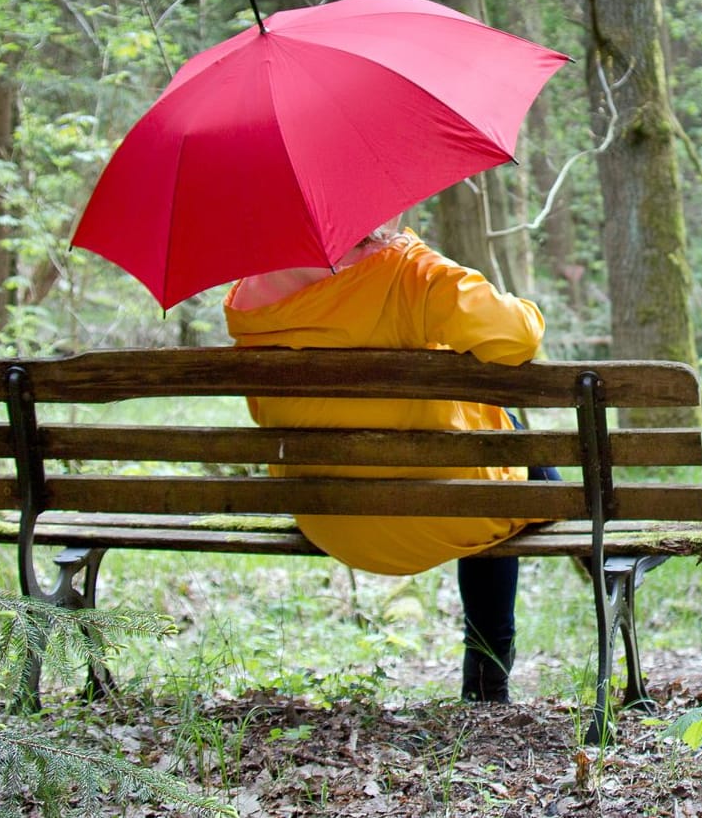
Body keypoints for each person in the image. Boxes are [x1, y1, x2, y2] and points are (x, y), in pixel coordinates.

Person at [223, 222, 549, 703]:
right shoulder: (410, 272)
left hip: (326, 516)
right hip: (439, 513)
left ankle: (589, 553)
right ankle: (487, 680)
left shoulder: (252, 297)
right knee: (509, 466)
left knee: (513, 460)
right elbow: (520, 336)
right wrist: (413, 254)